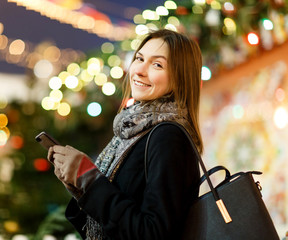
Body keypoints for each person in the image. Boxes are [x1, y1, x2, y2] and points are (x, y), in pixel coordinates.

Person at [48, 29, 203, 239]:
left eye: (157, 64)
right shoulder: (132, 132)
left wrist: (89, 178)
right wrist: (79, 185)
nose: (139, 70)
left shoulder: (168, 137)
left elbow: (152, 233)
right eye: (139, 58)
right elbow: (109, 226)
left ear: (180, 78)